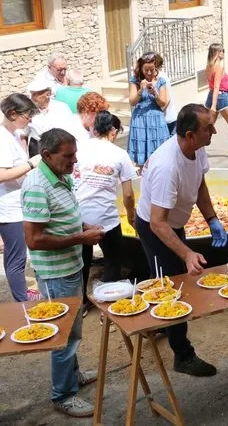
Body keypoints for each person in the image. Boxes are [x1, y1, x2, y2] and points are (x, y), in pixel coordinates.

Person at [134, 104, 226, 377]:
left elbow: (199, 184)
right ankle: (182, 355)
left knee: (167, 280)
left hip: (171, 224)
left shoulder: (196, 149)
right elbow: (157, 222)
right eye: (208, 128)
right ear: (189, 134)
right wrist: (186, 254)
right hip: (155, 228)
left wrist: (212, 219)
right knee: (173, 288)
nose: (214, 131)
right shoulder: (167, 166)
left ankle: (160, 322)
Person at [21, 128, 105, 417]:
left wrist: (83, 228)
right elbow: (34, 239)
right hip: (56, 272)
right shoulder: (36, 185)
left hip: (70, 266)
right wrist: (79, 239)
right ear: (47, 155)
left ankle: (73, 375)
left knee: (73, 330)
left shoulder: (60, 176)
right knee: (64, 335)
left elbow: (63, 219)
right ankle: (63, 395)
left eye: (75, 154)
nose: (74, 161)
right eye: (68, 156)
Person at [75, 112, 145, 310]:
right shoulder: (119, 155)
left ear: (94, 128)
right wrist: (131, 217)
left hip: (79, 217)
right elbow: (129, 195)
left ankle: (81, 304)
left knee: (83, 261)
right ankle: (109, 307)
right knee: (113, 260)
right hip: (107, 218)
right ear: (113, 131)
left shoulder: (79, 149)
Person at [0, 94, 40, 303]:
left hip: (17, 203)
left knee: (15, 254)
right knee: (17, 258)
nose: (29, 119)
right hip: (9, 207)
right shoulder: (2, 138)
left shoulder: (13, 134)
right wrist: (32, 164)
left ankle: (22, 292)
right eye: (27, 115)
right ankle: (21, 299)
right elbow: (1, 174)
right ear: (12, 114)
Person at [128, 52, 170, 166]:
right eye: (146, 70)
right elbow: (132, 101)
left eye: (151, 69)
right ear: (141, 68)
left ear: (155, 67)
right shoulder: (135, 81)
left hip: (156, 120)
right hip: (140, 121)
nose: (149, 72)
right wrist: (140, 91)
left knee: (159, 157)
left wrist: (155, 93)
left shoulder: (161, 81)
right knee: (142, 159)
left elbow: (163, 102)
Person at [204, 44, 228, 157]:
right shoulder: (218, 67)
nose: (223, 53)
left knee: (209, 125)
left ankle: (198, 148)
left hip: (212, 95)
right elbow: (216, 86)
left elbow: (214, 85)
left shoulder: (209, 66)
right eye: (222, 51)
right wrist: (214, 106)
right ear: (217, 53)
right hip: (220, 97)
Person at [25, 80, 75, 156]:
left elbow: (70, 130)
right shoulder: (29, 111)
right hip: (37, 149)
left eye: (35, 94)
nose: (32, 98)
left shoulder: (61, 108)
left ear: (48, 94)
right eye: (32, 94)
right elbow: (24, 134)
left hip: (58, 147)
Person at [154, 55, 179, 136]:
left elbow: (167, 99)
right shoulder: (162, 75)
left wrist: (158, 114)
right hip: (169, 117)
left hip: (166, 118)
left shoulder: (160, 77)